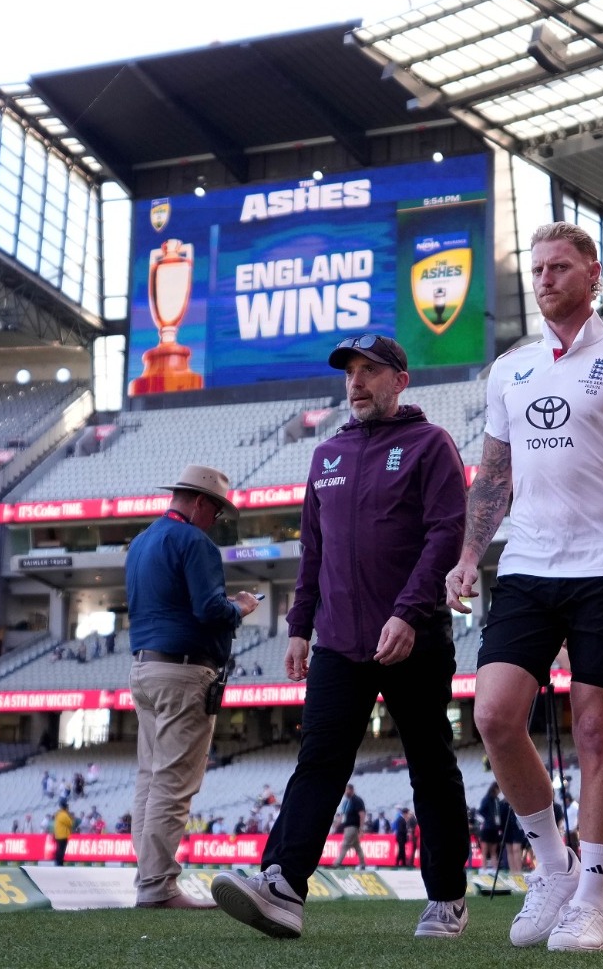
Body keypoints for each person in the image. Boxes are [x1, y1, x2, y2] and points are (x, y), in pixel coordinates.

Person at [444, 221, 603, 953]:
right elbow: (492, 475)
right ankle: (552, 865)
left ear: (592, 273)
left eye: (558, 267)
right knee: (493, 717)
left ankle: (591, 901)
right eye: (537, 268)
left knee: (596, 738)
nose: (544, 278)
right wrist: (467, 555)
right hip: (526, 565)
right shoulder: (510, 370)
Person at [213, 333, 471, 941]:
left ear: (400, 380)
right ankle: (282, 886)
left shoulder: (430, 444)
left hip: (415, 635)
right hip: (338, 641)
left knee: (431, 766)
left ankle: (447, 898)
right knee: (319, 763)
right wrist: (299, 625)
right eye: (350, 372)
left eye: (370, 370)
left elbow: (444, 535)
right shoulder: (325, 454)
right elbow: (314, 552)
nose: (355, 382)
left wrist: (408, 612)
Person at [127, 464, 260, 910]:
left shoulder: (142, 541)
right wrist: (239, 607)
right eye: (216, 512)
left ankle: (148, 878)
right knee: (173, 783)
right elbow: (208, 610)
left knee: (150, 777)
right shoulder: (194, 542)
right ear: (202, 502)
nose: (215, 522)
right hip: (184, 672)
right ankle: (157, 886)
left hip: (144, 668)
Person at [335, 783, 368, 869]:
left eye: (347, 790)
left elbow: (362, 814)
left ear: (351, 790)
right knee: (357, 846)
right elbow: (342, 815)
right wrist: (337, 824)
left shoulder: (357, 800)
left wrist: (361, 828)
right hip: (347, 826)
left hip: (352, 826)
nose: (345, 792)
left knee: (345, 844)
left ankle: (337, 863)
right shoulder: (346, 802)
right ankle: (363, 864)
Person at [477, 783, 504, 872]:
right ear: (495, 789)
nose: (499, 791)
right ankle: (484, 869)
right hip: (487, 828)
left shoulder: (497, 800)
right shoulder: (487, 799)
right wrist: (489, 818)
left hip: (495, 828)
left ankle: (494, 869)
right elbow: (481, 811)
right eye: (498, 789)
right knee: (485, 850)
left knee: (493, 851)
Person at [52, 798, 74, 867]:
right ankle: (59, 863)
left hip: (58, 834)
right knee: (61, 850)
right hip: (63, 835)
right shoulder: (64, 815)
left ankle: (58, 862)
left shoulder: (58, 814)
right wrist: (70, 816)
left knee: (59, 849)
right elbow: (70, 823)